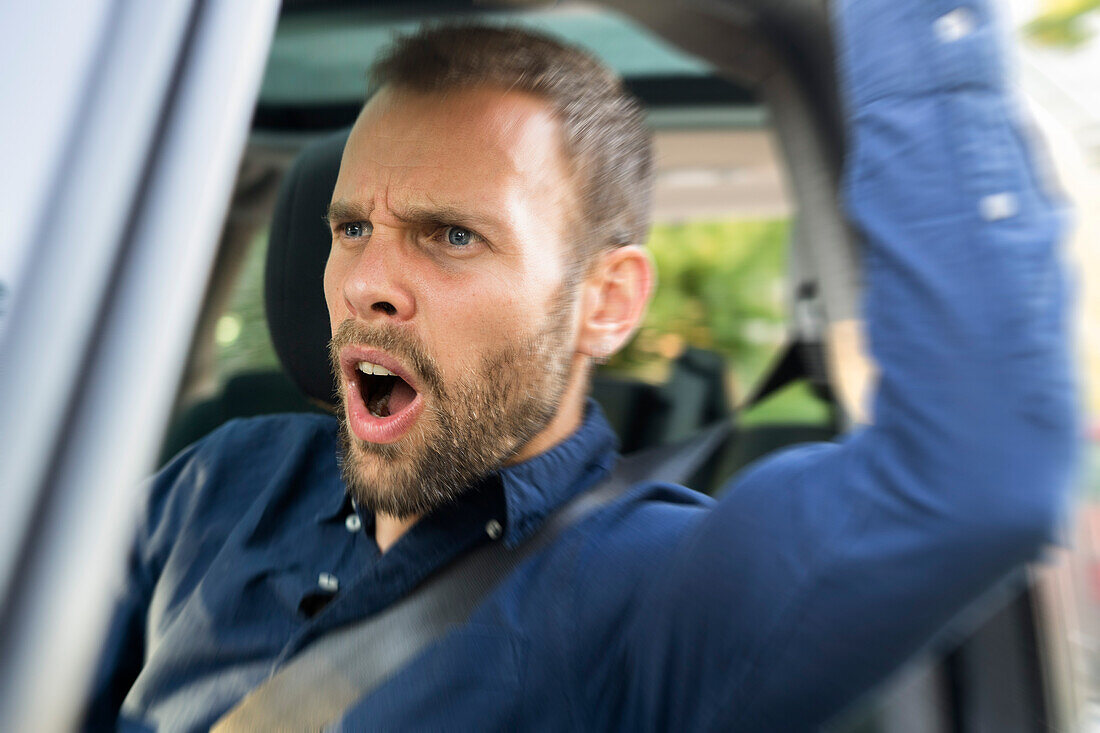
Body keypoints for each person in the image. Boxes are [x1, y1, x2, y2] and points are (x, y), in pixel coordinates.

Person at [83, 0, 1078, 730]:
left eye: (450, 236)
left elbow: (977, 478)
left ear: (605, 301)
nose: (365, 284)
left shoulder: (649, 595)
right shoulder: (216, 479)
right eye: (352, 227)